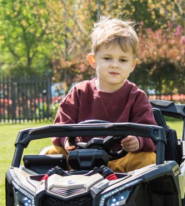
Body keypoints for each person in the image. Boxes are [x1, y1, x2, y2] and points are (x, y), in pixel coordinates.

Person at [43, 17, 157, 172]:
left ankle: (137, 195)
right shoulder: (79, 92)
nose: (115, 64)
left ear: (132, 65)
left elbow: (150, 132)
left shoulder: (136, 97)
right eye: (107, 58)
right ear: (93, 60)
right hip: (79, 160)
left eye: (122, 60)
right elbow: (60, 126)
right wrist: (66, 140)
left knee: (149, 159)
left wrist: (138, 140)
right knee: (49, 153)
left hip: (120, 165)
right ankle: (48, 193)